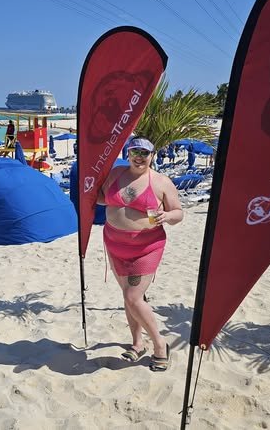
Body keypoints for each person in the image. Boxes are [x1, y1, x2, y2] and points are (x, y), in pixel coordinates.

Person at [97, 137, 183, 372]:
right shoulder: (115, 174)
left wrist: (168, 216)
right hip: (115, 244)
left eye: (144, 153)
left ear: (152, 156)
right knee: (128, 296)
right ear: (128, 153)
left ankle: (159, 345)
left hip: (146, 247)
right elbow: (100, 198)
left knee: (134, 296)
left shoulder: (160, 182)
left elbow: (178, 212)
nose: (139, 157)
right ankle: (137, 343)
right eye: (135, 151)